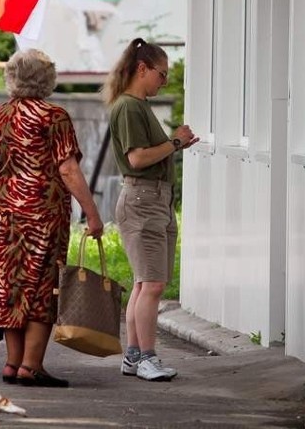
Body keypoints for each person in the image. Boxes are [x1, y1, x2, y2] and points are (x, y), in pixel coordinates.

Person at [0, 48, 105, 388]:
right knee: (41, 289)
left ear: (11, 78)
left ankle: (12, 362)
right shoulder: (54, 116)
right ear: (47, 79)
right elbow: (69, 169)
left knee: (11, 286)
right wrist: (92, 213)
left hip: (3, 214)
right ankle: (31, 366)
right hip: (42, 216)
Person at [102, 38, 199, 382]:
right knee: (153, 284)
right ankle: (147, 357)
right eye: (162, 74)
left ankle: (133, 355)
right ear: (141, 69)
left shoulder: (135, 105)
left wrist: (175, 143)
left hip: (152, 200)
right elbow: (137, 158)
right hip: (144, 200)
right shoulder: (129, 107)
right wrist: (175, 143)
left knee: (145, 284)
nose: (164, 81)